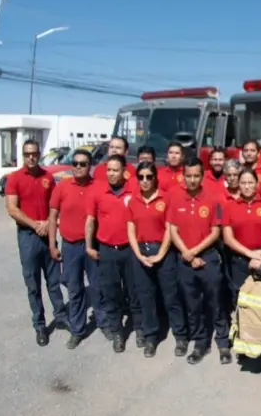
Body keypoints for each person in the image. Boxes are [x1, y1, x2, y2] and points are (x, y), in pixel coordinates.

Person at [167, 157, 229, 365]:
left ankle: (223, 342)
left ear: (202, 176)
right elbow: (172, 230)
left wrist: (194, 252)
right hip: (185, 259)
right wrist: (187, 253)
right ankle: (200, 342)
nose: (192, 180)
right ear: (183, 176)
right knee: (192, 304)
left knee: (216, 301)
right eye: (188, 176)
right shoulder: (176, 198)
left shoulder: (214, 198)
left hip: (208, 257)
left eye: (196, 176)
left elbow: (215, 232)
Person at [5, 138, 64, 347]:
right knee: (33, 284)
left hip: (47, 233)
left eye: (34, 153)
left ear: (39, 155)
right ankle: (39, 325)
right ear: (23, 156)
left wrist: (47, 223)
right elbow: (12, 209)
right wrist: (35, 224)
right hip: (28, 236)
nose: (31, 157)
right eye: (27, 154)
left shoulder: (47, 176)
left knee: (54, 279)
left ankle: (61, 315)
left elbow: (55, 204)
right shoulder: (14, 178)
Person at [126, 161, 183, 358]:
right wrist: (139, 255)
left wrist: (160, 254)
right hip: (141, 251)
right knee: (146, 297)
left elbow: (170, 229)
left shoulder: (166, 199)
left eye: (149, 177)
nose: (145, 181)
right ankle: (150, 337)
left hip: (163, 252)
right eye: (141, 177)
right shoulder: (133, 201)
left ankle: (180, 335)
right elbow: (131, 230)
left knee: (171, 296)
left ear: (155, 178)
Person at [85, 154, 138, 353]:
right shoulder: (98, 191)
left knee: (134, 291)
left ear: (124, 171)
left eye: (115, 170)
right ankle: (117, 333)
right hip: (107, 251)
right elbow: (90, 220)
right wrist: (89, 246)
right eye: (109, 170)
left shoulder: (134, 190)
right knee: (111, 293)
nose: (111, 174)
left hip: (130, 250)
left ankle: (140, 328)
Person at [48, 148, 96, 348]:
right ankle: (78, 330)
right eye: (75, 163)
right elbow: (52, 217)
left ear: (89, 166)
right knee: (74, 290)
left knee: (98, 287)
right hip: (70, 247)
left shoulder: (98, 186)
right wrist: (52, 244)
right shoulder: (62, 187)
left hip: (93, 246)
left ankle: (105, 323)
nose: (78, 167)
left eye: (83, 164)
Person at [222, 168, 261, 305]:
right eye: (243, 183)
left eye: (250, 182)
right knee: (241, 298)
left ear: (257, 184)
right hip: (240, 260)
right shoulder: (229, 206)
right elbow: (228, 238)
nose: (247, 186)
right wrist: (250, 254)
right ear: (238, 184)